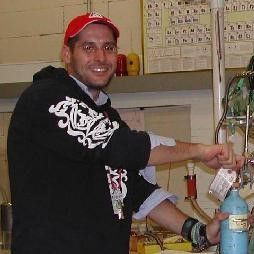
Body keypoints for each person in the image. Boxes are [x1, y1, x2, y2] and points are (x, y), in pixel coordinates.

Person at [7, 12, 245, 254]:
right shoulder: (46, 98)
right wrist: (199, 151)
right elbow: (124, 147)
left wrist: (199, 233)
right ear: (67, 54)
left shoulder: (107, 117)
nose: (100, 56)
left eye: (108, 47)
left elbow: (135, 190)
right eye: (88, 47)